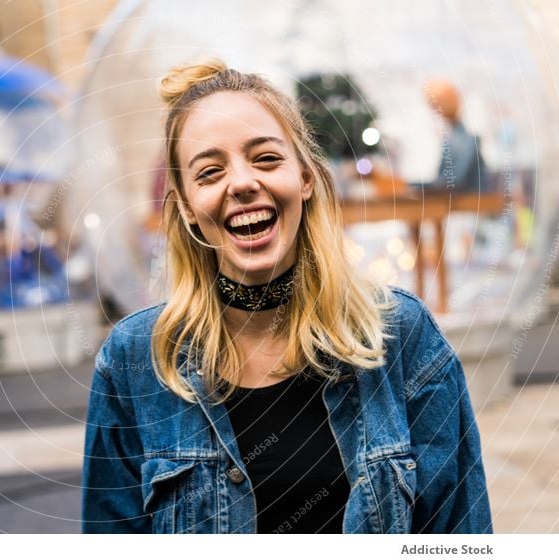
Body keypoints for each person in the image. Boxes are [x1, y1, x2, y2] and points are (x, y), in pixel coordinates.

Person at [81, 59, 492, 534]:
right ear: (188, 208)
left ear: (306, 178)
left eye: (266, 158)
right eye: (210, 172)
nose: (241, 183)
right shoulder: (134, 361)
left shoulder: (401, 335)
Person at [416, 79, 491, 193]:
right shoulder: (451, 141)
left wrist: (415, 185)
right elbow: (441, 179)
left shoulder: (468, 142)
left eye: (434, 109)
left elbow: (455, 181)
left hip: (470, 206)